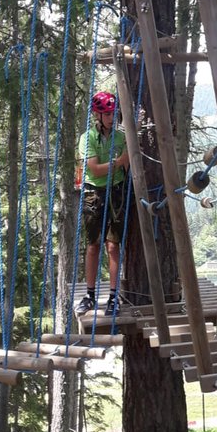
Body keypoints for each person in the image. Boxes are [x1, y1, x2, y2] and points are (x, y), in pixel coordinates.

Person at [76, 91, 130, 316]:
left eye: (113, 114)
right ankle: (90, 295)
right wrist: (118, 162)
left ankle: (113, 296)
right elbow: (95, 169)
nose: (111, 118)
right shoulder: (87, 138)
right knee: (93, 245)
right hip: (93, 194)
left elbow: (127, 163)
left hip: (116, 192)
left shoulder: (120, 138)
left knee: (113, 245)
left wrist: (120, 163)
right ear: (97, 115)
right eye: (107, 114)